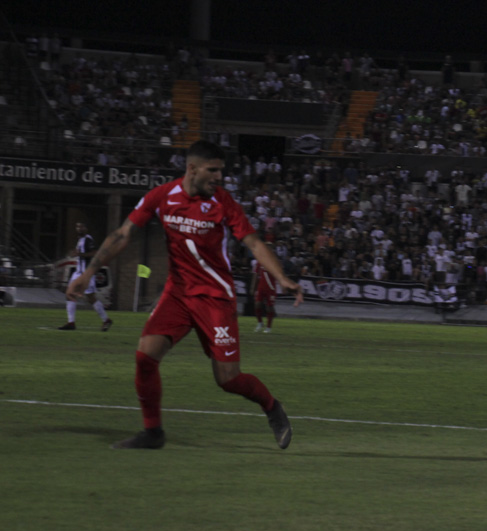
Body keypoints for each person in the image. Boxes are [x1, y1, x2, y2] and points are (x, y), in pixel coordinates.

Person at [66, 140, 304, 450]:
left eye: (221, 171)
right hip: (178, 294)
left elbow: (254, 243)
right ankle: (153, 433)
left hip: (215, 298)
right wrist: (88, 273)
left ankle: (272, 407)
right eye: (213, 170)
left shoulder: (223, 203)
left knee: (228, 379)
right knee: (145, 358)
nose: (219, 177)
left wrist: (281, 277)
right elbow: (124, 233)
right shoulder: (162, 196)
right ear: (192, 169)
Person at [59, 222, 113, 331]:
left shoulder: (88, 239)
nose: (79, 229)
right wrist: (75, 254)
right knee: (69, 294)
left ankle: (106, 320)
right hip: (78, 272)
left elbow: (94, 252)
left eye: (81, 227)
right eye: (77, 227)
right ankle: (71, 322)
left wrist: (80, 255)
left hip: (86, 273)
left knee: (91, 298)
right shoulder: (80, 240)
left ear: (86, 228)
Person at [250, 247, 278, 333]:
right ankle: (260, 323)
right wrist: (253, 287)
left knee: (269, 307)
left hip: (271, 287)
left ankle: (269, 327)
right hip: (261, 287)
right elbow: (256, 275)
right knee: (257, 304)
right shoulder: (260, 261)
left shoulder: (274, 262)